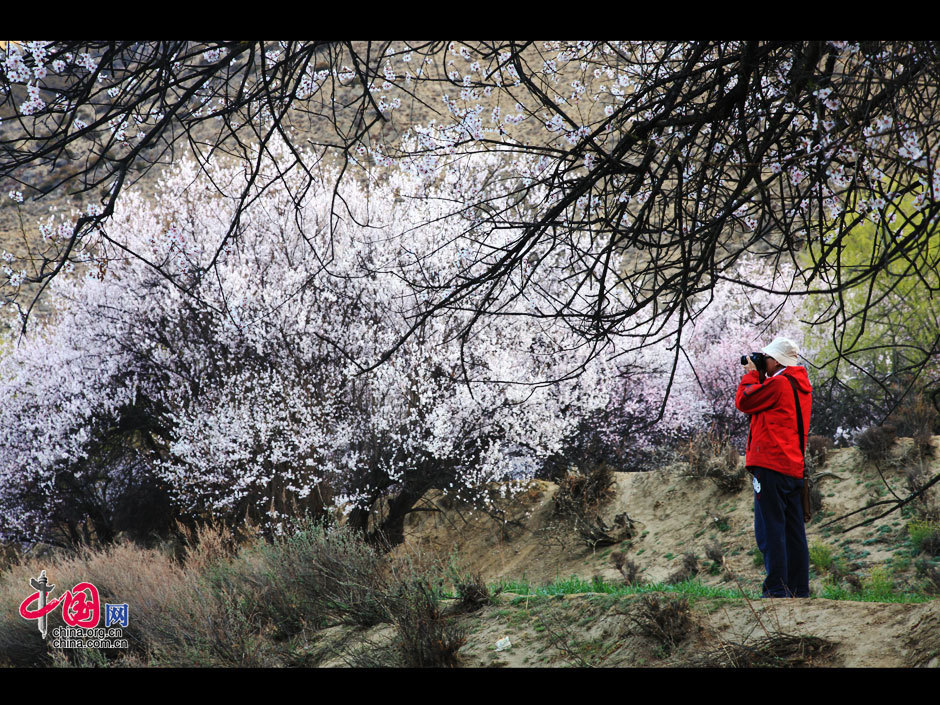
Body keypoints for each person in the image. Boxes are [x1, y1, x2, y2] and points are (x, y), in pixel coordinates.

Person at [735, 336, 813, 598]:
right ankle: (799, 588)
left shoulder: (778, 383)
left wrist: (752, 376)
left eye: (766, 357)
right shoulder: (800, 386)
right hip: (793, 467)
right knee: (793, 532)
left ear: (776, 360)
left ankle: (777, 589)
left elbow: (745, 402)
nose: (762, 361)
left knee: (771, 530)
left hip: (770, 465)